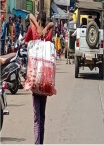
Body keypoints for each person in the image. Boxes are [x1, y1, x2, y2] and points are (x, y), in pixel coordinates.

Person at [28, 12, 54, 144]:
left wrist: (37, 27)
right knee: (42, 115)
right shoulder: (48, 34)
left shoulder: (33, 31)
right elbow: (52, 24)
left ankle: (37, 143)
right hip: (45, 80)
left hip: (34, 79)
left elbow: (30, 15)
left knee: (36, 116)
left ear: (38, 21)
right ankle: (40, 142)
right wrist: (46, 27)